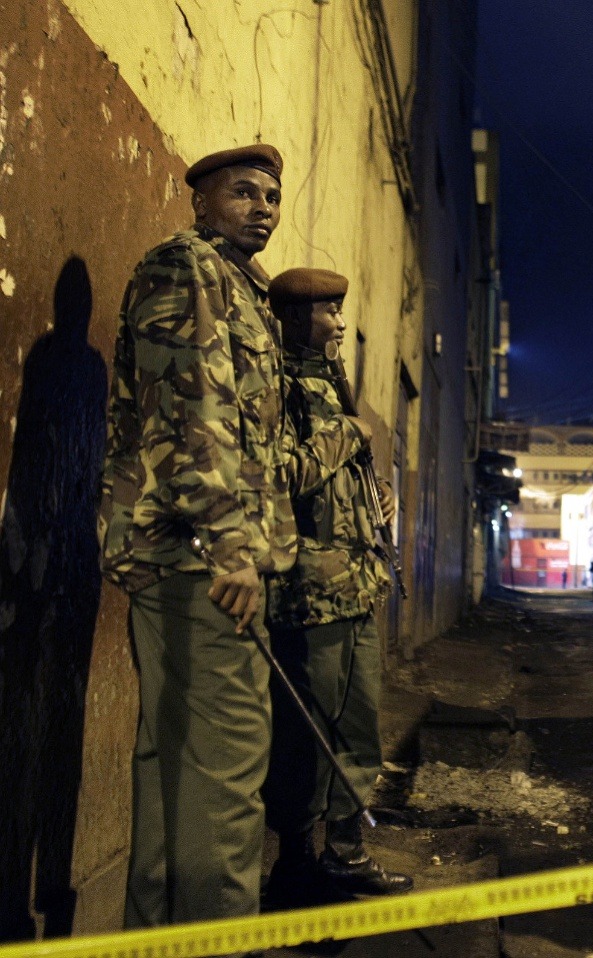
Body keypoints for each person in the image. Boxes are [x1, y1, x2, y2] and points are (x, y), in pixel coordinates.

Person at [99, 144, 302, 928]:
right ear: (200, 201)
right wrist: (230, 545)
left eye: (272, 197)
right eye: (244, 193)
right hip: (201, 560)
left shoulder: (241, 286)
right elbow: (193, 414)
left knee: (179, 764)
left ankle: (159, 938)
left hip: (198, 556)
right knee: (226, 768)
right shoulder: (186, 269)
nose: (263, 209)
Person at [259, 267, 413, 906]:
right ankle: (293, 862)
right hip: (308, 594)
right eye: (330, 311)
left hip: (357, 587)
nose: (341, 323)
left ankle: (346, 853)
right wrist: (348, 432)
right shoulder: (279, 384)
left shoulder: (332, 383)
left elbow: (347, 481)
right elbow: (280, 475)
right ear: (298, 318)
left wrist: (381, 495)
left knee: (358, 730)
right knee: (305, 735)